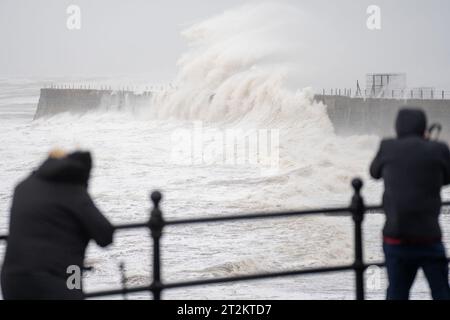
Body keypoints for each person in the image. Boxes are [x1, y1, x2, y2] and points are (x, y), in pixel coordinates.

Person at [1, 150, 114, 300]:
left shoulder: (23, 186)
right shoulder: (73, 191)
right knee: (73, 281)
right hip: (59, 279)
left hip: (13, 280)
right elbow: (105, 235)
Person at [370, 108, 450, 300]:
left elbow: (374, 172)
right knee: (441, 292)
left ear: (398, 127)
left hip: (396, 237)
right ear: (423, 127)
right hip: (429, 238)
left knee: (397, 291)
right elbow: (447, 178)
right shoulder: (438, 149)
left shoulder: (387, 146)